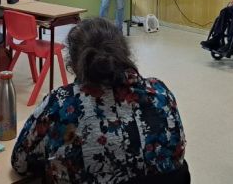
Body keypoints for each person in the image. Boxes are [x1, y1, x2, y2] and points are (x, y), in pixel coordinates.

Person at [11, 17, 190, 184]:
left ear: (73, 64)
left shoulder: (61, 103)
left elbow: (20, 162)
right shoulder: (160, 92)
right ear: (125, 54)